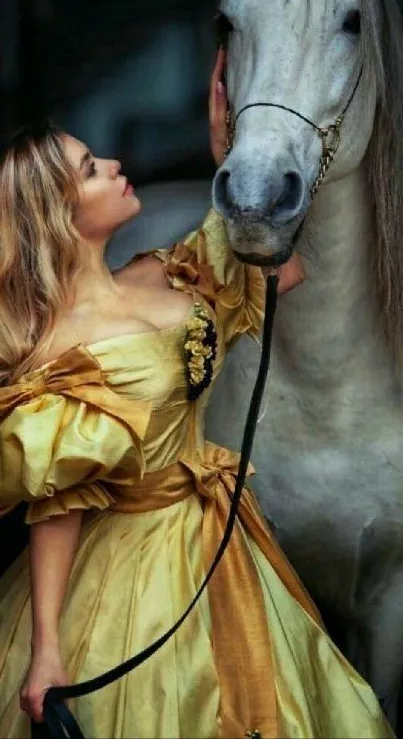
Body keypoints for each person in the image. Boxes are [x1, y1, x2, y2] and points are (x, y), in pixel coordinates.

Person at [0, 50, 394, 739]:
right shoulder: (60, 348)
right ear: (59, 215)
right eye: (91, 169)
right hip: (132, 576)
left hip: (224, 543)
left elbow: (284, 268)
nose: (115, 166)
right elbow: (56, 510)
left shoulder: (165, 272)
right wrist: (49, 649)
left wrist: (232, 151)